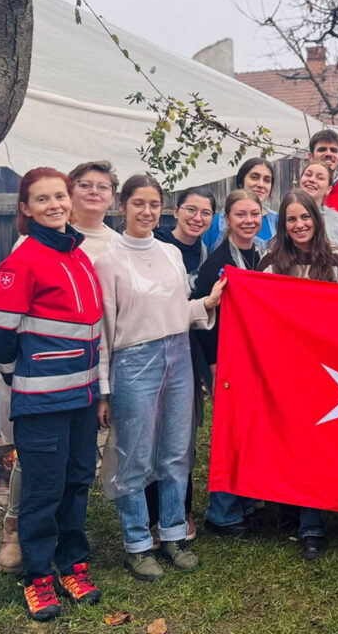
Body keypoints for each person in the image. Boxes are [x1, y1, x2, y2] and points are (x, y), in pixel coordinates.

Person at [0, 168, 103, 621]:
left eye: (60, 196)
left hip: (82, 399)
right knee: (43, 491)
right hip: (43, 402)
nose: (54, 205)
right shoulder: (22, 261)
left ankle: (72, 565)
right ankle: (37, 576)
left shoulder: (79, 256)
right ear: (26, 209)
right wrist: (19, 375)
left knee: (77, 482)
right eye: (42, 199)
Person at [95, 174, 226, 582]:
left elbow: (176, 310)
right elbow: (103, 329)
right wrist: (104, 389)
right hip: (133, 361)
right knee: (134, 455)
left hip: (177, 356)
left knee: (175, 451)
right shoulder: (108, 261)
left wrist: (206, 303)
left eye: (154, 204)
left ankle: (172, 534)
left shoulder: (170, 254)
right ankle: (137, 543)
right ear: (123, 207)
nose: (147, 211)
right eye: (139, 203)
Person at [256, 189, 338, 559]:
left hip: (328, 366)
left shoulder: (337, 260)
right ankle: (294, 509)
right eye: (291, 219)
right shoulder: (270, 263)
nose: (299, 225)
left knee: (319, 439)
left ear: (317, 218)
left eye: (305, 217)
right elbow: (259, 314)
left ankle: (314, 519)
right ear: (283, 224)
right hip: (286, 365)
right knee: (290, 436)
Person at [194, 189, 267, 539]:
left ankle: (247, 499)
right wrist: (212, 364)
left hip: (256, 357)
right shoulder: (218, 262)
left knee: (252, 429)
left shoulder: (262, 254)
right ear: (226, 219)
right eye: (241, 214)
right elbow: (206, 318)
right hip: (226, 358)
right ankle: (221, 512)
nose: (248, 221)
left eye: (254, 214)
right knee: (230, 432)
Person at [148, 186, 217, 544]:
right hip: (153, 347)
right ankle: (151, 514)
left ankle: (181, 509)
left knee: (182, 431)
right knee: (152, 431)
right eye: (191, 210)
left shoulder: (207, 253)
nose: (197, 218)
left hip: (188, 350)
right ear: (175, 211)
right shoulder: (156, 245)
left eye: (205, 213)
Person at [203, 158, 278, 247]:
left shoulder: (278, 221)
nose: (261, 184)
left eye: (267, 180)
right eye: (254, 177)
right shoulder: (214, 223)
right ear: (241, 182)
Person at [298, 161, 338, 246]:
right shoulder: (284, 216)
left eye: (320, 178)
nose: (312, 180)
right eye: (308, 175)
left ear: (328, 189)